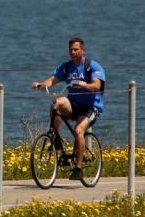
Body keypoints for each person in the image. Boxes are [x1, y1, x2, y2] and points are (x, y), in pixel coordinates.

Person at [31, 37, 105, 181]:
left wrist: (85, 85)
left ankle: (78, 168)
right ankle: (56, 139)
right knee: (56, 103)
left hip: (91, 107)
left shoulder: (92, 66)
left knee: (78, 131)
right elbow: (52, 80)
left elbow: (97, 85)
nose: (72, 52)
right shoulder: (66, 67)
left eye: (76, 49)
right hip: (74, 103)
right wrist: (40, 84)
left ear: (82, 51)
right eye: (70, 49)